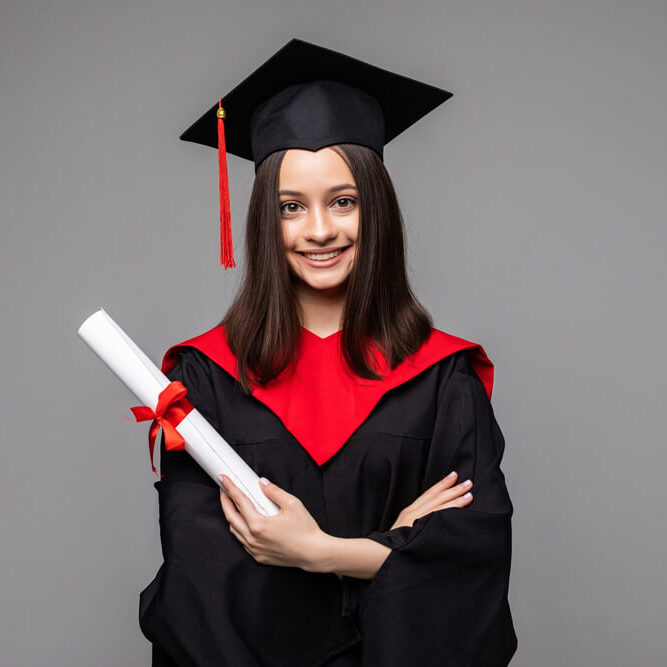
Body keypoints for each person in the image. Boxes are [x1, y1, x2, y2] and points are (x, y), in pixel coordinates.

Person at [138, 38, 518, 666]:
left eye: (343, 201)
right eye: (291, 207)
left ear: (377, 211)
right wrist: (391, 546)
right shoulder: (203, 380)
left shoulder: (444, 377)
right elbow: (201, 585)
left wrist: (319, 553)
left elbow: (471, 555)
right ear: (265, 219)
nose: (319, 230)